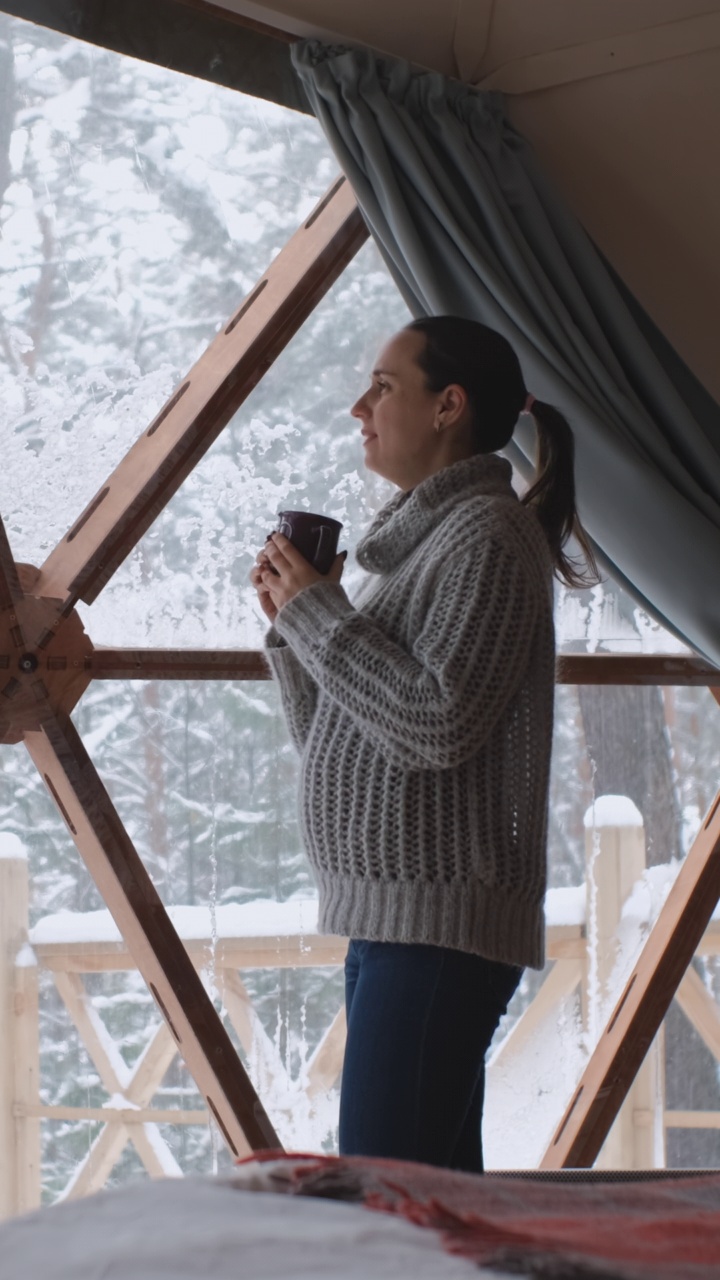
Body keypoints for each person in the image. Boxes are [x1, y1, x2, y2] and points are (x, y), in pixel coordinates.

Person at [250, 315, 596, 1174]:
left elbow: (437, 725)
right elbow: (355, 740)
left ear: (449, 406)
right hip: (397, 918)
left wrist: (321, 619)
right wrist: (300, 629)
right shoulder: (422, 546)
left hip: (438, 928)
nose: (356, 406)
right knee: (430, 1200)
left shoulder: (484, 537)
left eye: (382, 385)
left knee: (388, 1197)